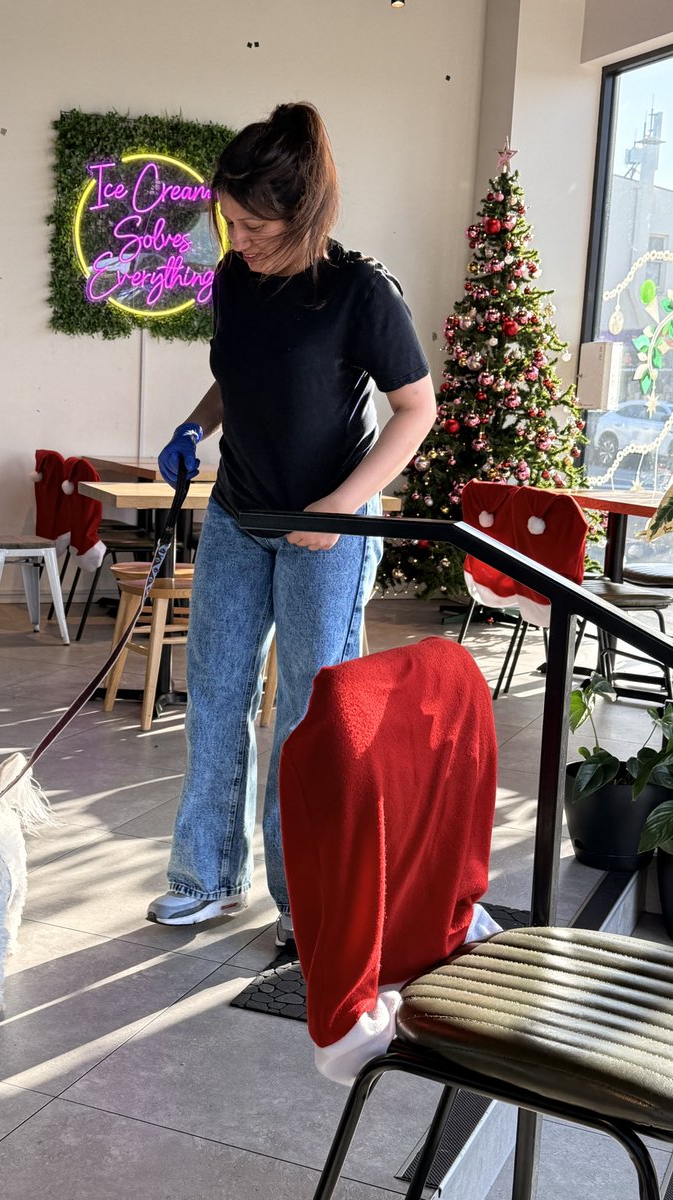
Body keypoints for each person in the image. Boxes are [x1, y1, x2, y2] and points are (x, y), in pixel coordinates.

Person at [147, 102, 438, 936]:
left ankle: (307, 893)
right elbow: (240, 379)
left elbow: (415, 410)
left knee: (312, 716)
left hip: (328, 532)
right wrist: (194, 427)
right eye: (226, 221)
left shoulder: (359, 291)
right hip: (240, 512)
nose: (234, 239)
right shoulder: (235, 279)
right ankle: (207, 875)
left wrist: (342, 508)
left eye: (250, 223)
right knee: (216, 694)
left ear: (302, 210)